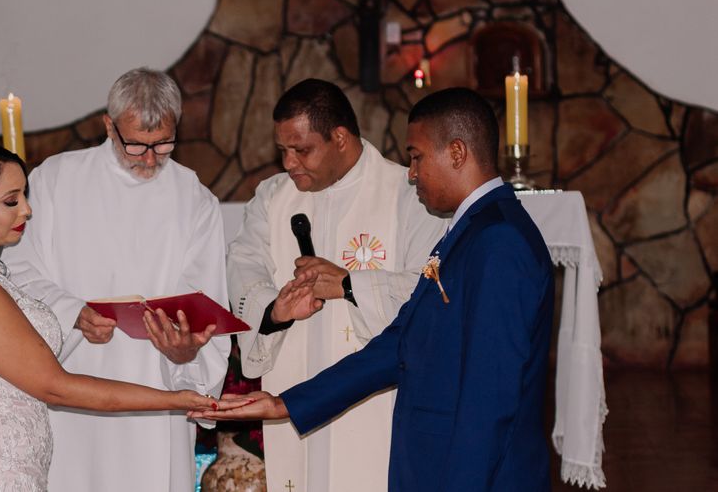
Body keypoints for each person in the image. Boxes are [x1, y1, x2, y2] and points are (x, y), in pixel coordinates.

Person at [201, 87, 554, 491]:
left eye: (417, 156)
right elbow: (404, 341)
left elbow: (488, 400)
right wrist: (286, 404)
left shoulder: (498, 240)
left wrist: (350, 285)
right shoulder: (472, 229)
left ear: (456, 153)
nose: (411, 172)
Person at [0, 141, 219, 492]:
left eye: (25, 197)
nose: (27, 211)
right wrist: (178, 398)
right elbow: (55, 386)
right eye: (11, 201)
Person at [2, 68, 230, 491]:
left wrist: (185, 353)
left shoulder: (194, 199)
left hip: (154, 392)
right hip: (72, 388)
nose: (149, 159)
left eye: (163, 144)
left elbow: (206, 297)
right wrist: (73, 313)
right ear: (109, 126)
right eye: (136, 145)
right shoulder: (54, 180)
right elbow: (17, 269)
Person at [226, 78, 446, 491]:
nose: (289, 163)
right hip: (292, 389)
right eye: (283, 151)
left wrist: (349, 285)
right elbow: (242, 266)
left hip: (376, 402)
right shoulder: (273, 198)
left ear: (340, 138)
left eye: (302, 149)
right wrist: (275, 310)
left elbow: (432, 294)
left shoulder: (408, 194)